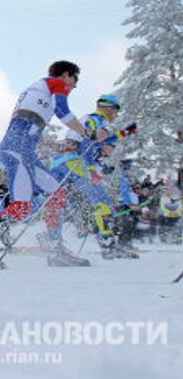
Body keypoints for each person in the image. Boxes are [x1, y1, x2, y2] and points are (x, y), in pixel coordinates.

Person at [0, 61, 93, 269]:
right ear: (66, 75)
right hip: (19, 150)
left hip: (22, 148)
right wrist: (86, 132)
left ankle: (55, 248)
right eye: (74, 80)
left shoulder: (37, 90)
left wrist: (56, 146)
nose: (74, 86)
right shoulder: (55, 84)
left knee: (56, 192)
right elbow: (63, 112)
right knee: (21, 206)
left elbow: (27, 128)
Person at [43, 94, 138, 264]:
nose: (116, 115)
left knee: (54, 203)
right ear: (109, 108)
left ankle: (54, 249)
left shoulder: (88, 119)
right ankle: (108, 246)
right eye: (116, 111)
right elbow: (88, 142)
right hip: (75, 163)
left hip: (58, 162)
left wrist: (124, 133)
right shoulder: (97, 119)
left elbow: (100, 142)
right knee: (102, 201)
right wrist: (92, 168)